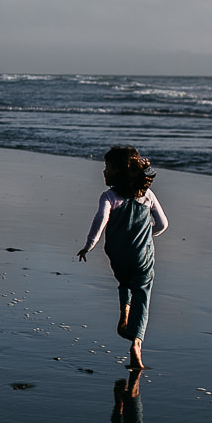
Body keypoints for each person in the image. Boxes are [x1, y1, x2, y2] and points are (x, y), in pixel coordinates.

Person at [76, 144, 169, 370]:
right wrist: (148, 235)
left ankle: (123, 314)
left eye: (107, 168)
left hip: (117, 256)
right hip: (142, 256)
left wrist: (89, 245)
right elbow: (163, 224)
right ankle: (136, 343)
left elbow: (101, 220)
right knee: (142, 292)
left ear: (118, 172)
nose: (104, 172)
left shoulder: (108, 197)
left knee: (124, 280)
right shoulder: (147, 195)